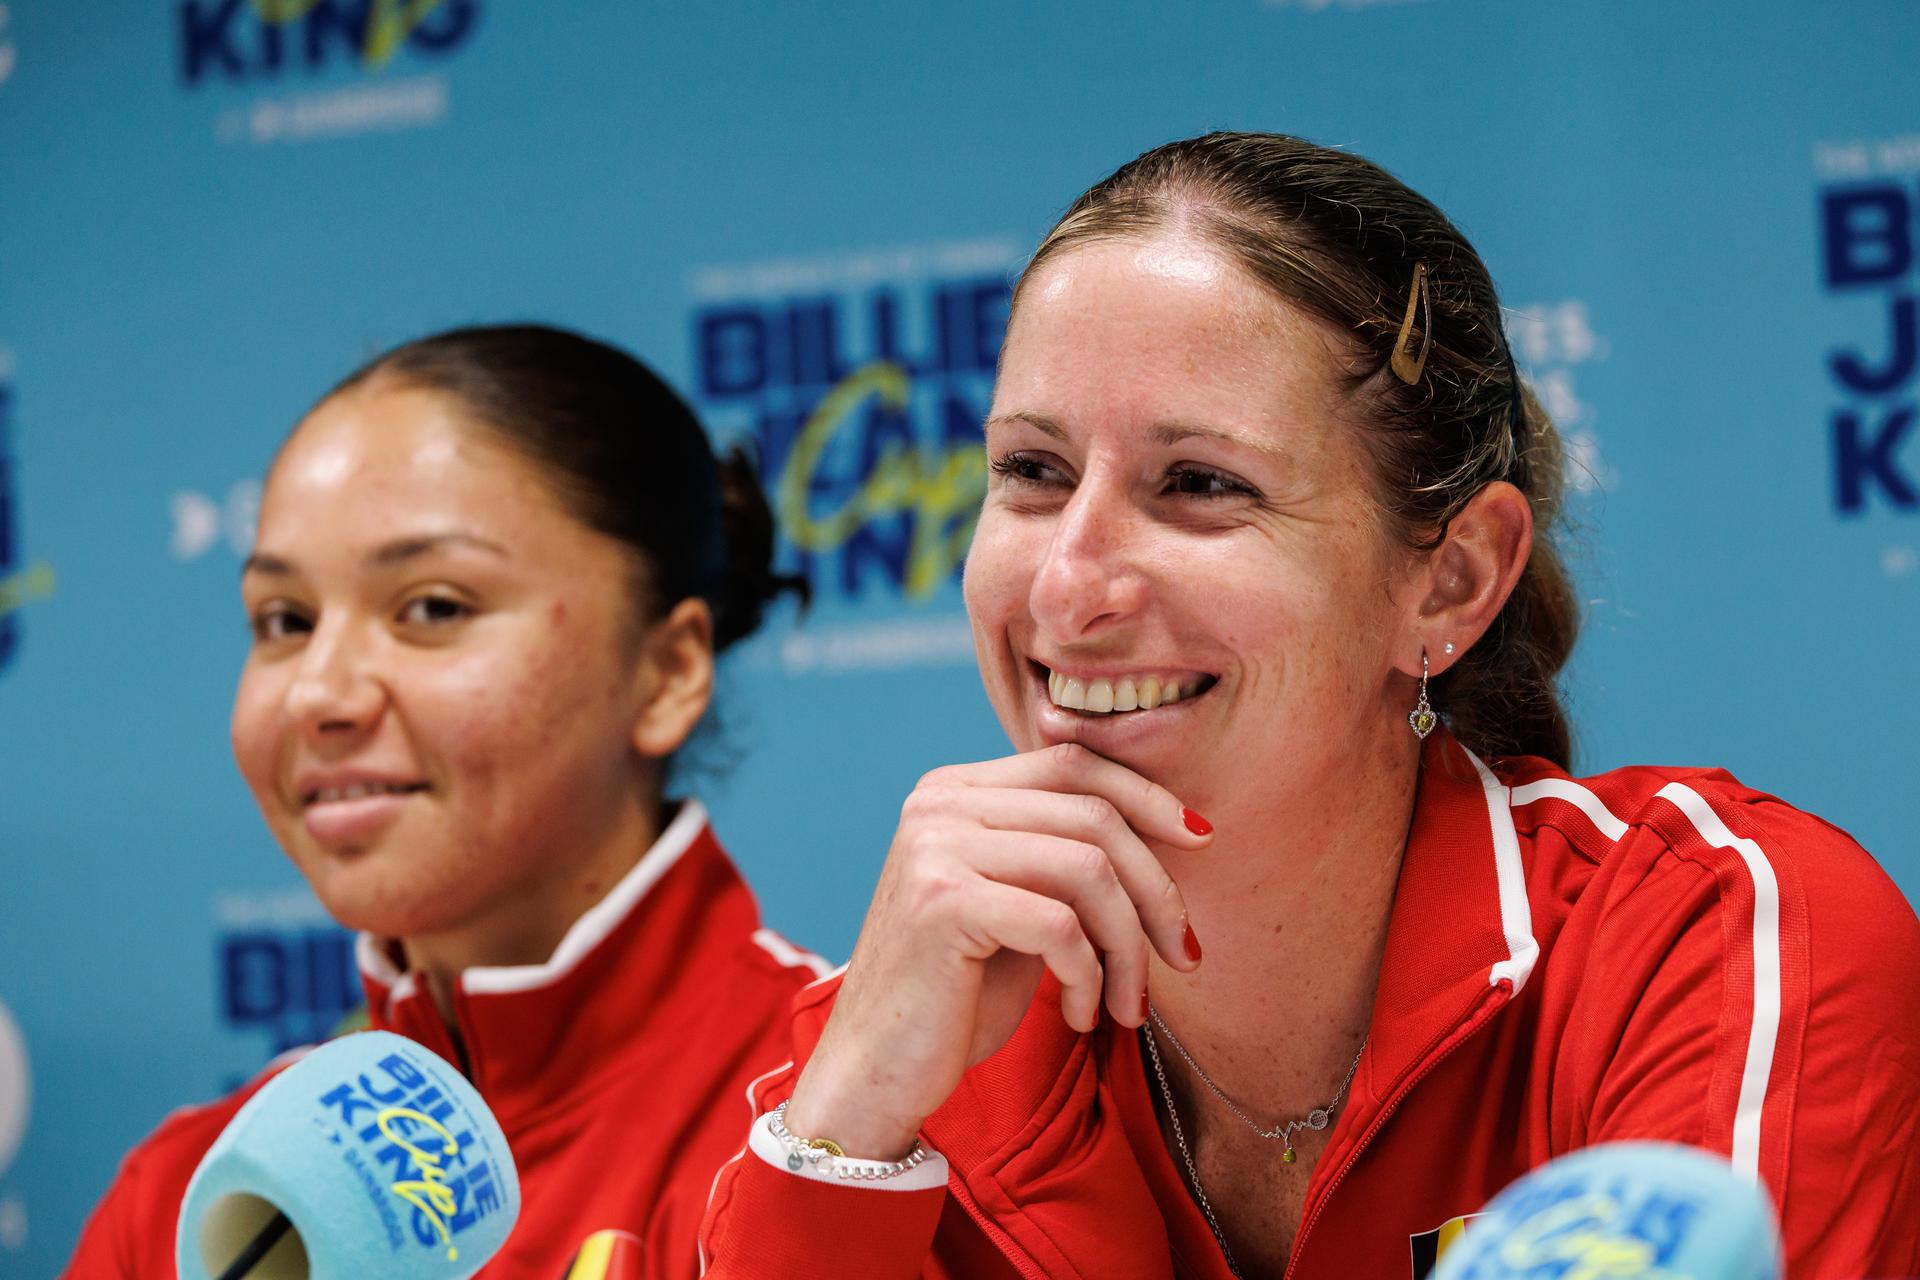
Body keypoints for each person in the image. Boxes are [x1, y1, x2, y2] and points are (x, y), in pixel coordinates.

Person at [698, 133, 1920, 1279]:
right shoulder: (895, 1061)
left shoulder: (1710, 938)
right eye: (1032, 470)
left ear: (1450, 580)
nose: (1068, 586)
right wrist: (844, 1132)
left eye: (1199, 484)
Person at [65, 324, 827, 1276]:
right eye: (284, 620)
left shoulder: (856, 1129)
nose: (317, 692)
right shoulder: (187, 1206)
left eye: (431, 607)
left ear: (668, 670)